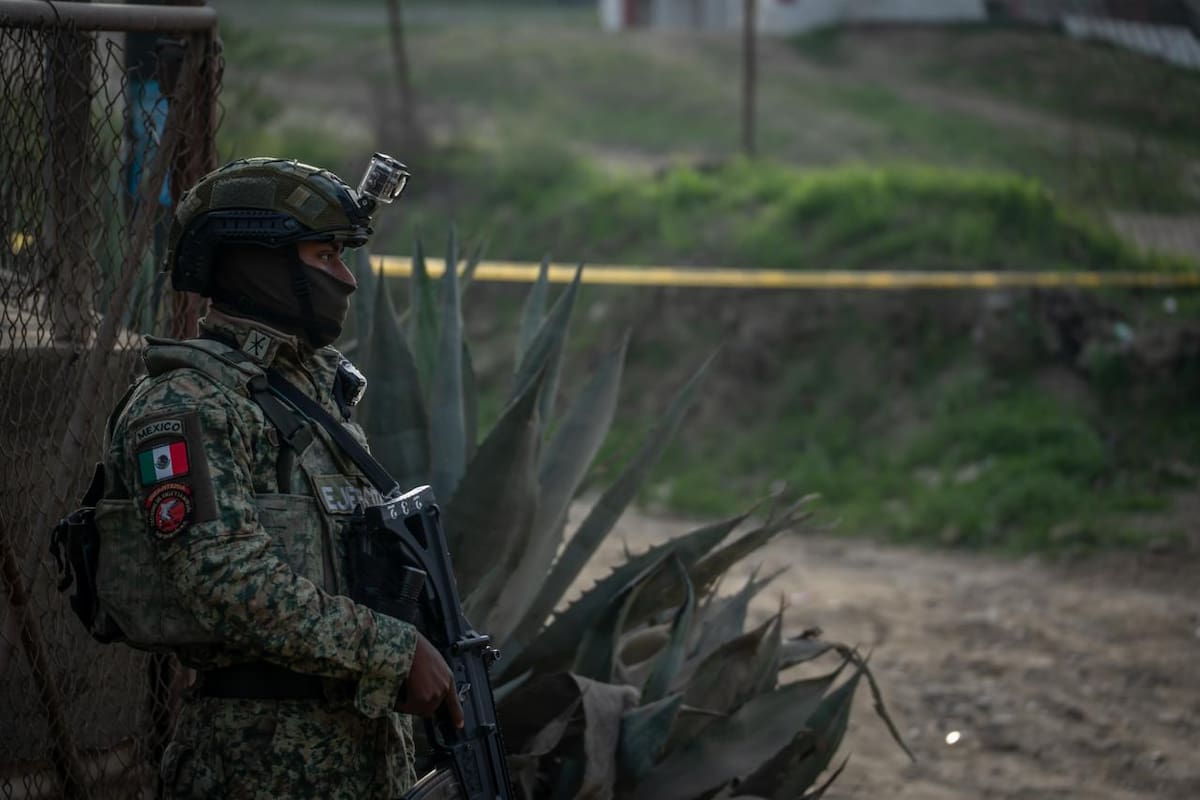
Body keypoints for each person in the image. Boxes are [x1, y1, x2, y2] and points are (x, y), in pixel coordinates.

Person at [96, 156, 462, 799]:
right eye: (326, 256)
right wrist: (394, 652)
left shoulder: (312, 397)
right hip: (257, 763)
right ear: (260, 264)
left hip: (363, 757)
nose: (348, 280)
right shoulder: (187, 406)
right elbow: (228, 583)